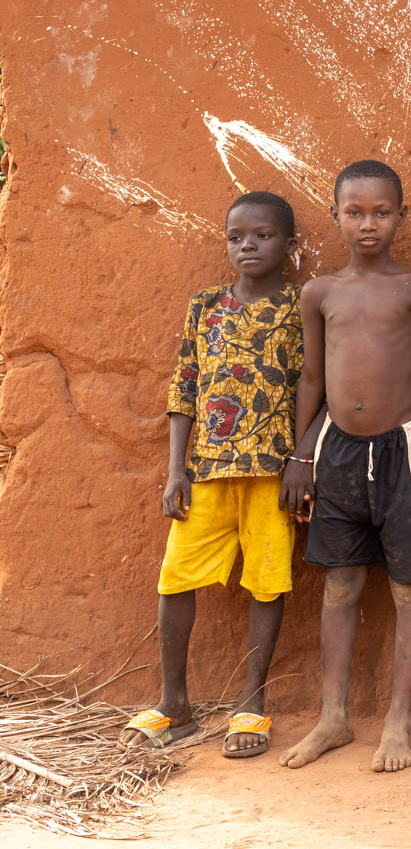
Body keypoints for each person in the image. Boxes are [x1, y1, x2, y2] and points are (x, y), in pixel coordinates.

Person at [277, 160, 411, 773]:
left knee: (410, 587)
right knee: (340, 583)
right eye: (355, 212)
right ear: (335, 215)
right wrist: (300, 452)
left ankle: (397, 720)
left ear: (401, 216)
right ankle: (333, 717)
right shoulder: (321, 292)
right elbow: (312, 377)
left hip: (401, 449)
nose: (369, 224)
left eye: (382, 212)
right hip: (335, 450)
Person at [121, 192, 304, 759]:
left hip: (273, 471)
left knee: (267, 579)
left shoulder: (302, 306)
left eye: (264, 235)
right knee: (176, 576)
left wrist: (305, 461)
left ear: (290, 245)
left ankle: (251, 701)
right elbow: (185, 387)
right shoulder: (205, 306)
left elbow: (314, 385)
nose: (248, 245)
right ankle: (174, 702)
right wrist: (176, 469)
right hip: (206, 471)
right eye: (236, 237)